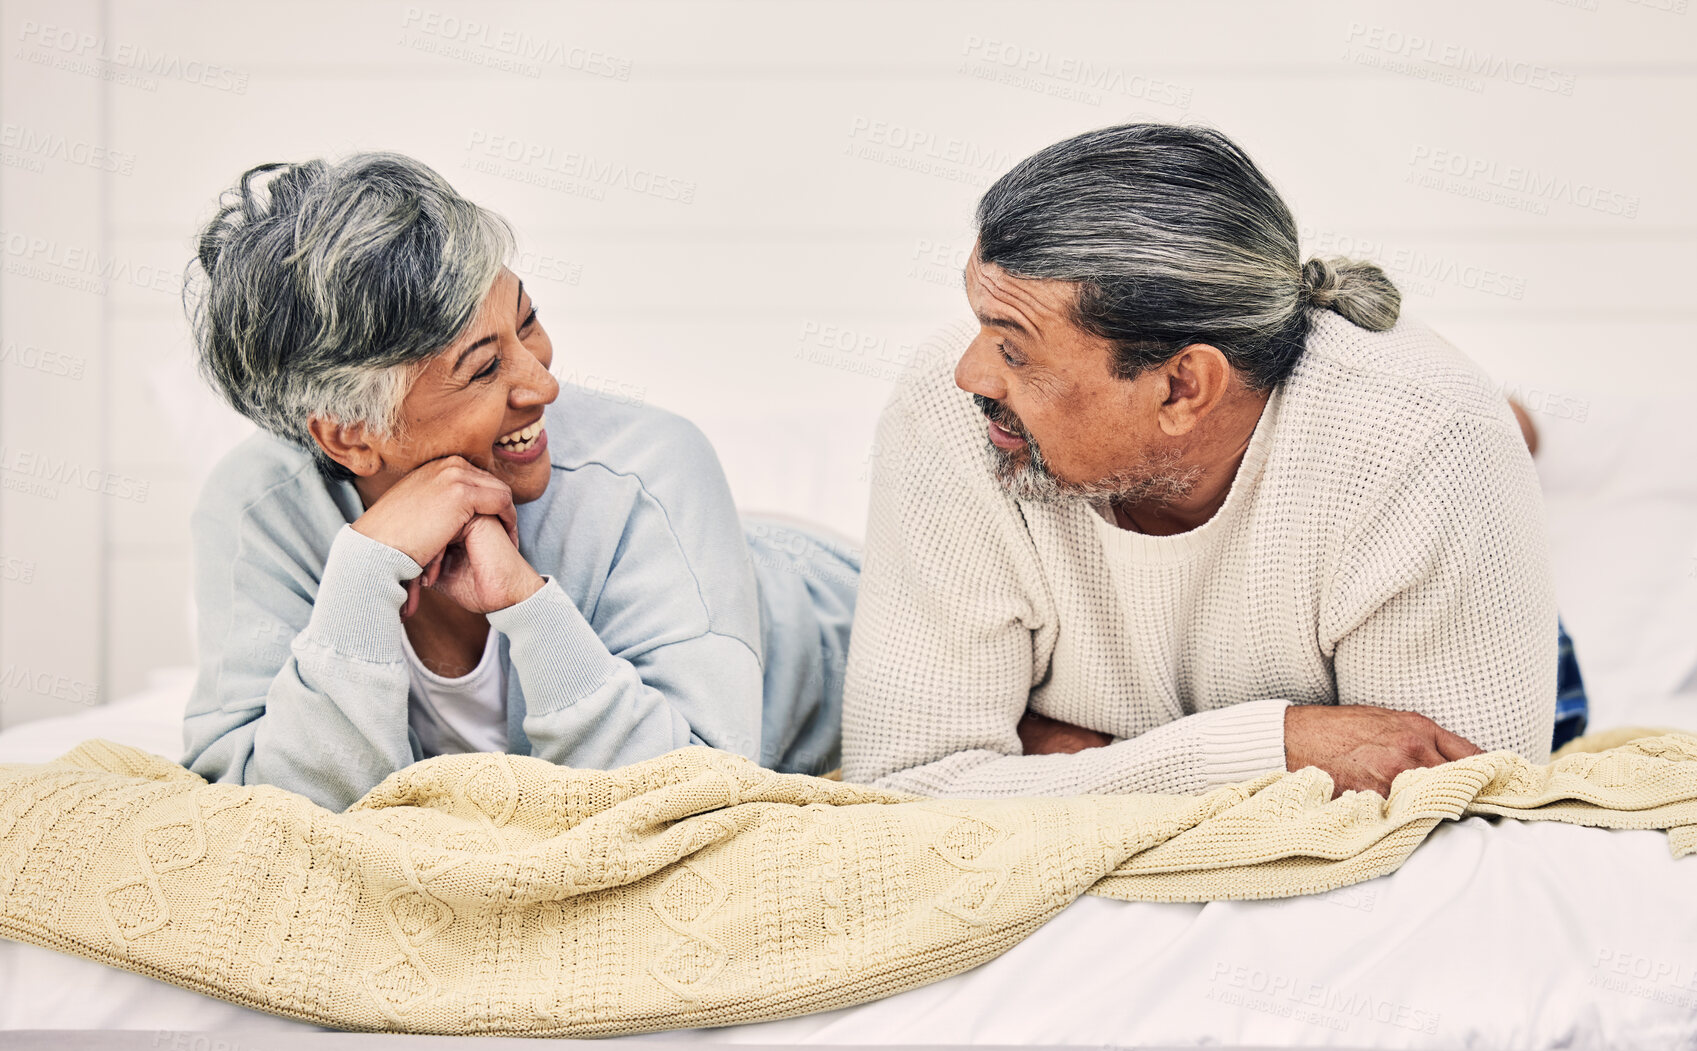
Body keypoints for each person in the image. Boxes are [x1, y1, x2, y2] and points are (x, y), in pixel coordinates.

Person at [842, 123, 1564, 800]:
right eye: (982, 326)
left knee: (1477, 446)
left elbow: (1436, 797)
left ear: (1183, 387)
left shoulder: (1427, 434)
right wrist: (1272, 747)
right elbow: (908, 788)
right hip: (1275, 687)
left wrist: (1064, 761)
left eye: (1013, 350)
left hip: (1461, 576)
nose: (970, 375)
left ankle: (1517, 432)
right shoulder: (947, 409)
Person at [180, 153, 857, 810]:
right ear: (348, 435)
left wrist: (529, 609)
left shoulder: (652, 463)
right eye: (481, 369)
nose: (543, 383)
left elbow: (700, 790)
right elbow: (248, 805)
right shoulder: (256, 507)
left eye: (527, 322)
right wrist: (360, 578)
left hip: (832, 609)